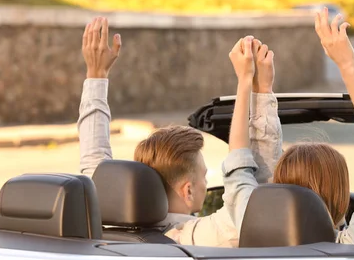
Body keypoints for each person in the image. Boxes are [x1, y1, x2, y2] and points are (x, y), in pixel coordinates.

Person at [78, 16, 282, 246]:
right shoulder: (192, 238)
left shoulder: (102, 231)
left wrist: (96, 73)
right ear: (188, 192)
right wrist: (256, 86)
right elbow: (253, 199)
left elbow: (93, 156)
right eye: (203, 177)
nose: (206, 184)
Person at [227, 7, 354, 246]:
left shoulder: (245, 224)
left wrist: (250, 84)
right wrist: (348, 66)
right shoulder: (351, 250)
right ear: (340, 199)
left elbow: (240, 168)